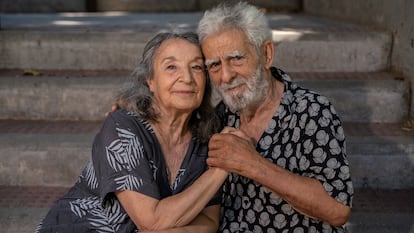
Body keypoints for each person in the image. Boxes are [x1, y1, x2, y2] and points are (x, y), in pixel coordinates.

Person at [36, 32, 228, 233]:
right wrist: (221, 169)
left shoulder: (205, 139)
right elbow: (151, 221)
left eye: (196, 67)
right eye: (171, 67)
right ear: (150, 81)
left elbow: (209, 221)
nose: (187, 78)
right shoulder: (122, 128)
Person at [197, 2, 354, 232]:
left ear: (266, 54)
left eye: (236, 59)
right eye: (214, 65)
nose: (226, 76)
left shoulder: (311, 111)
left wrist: (252, 164)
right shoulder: (222, 115)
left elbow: (337, 210)